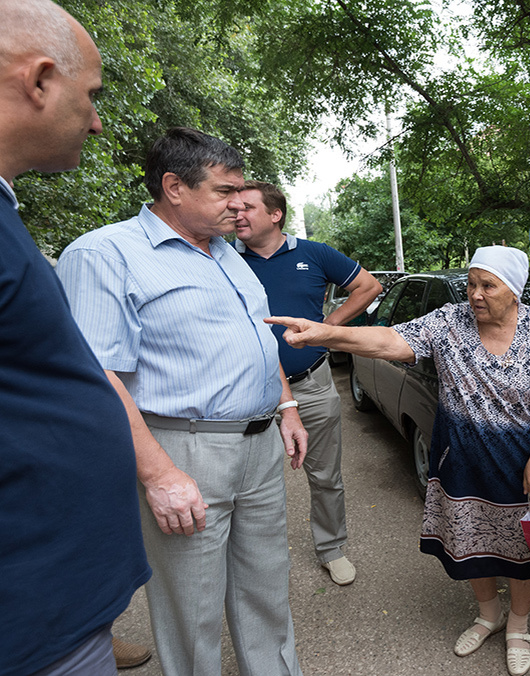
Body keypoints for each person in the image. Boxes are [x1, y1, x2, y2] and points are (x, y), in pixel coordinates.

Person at [56, 127, 307, 676]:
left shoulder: (228, 254)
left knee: (267, 589)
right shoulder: (105, 254)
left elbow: (258, 336)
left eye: (242, 192)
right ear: (173, 186)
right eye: (224, 192)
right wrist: (159, 476)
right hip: (183, 453)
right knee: (191, 612)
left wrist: (286, 406)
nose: (239, 205)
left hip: (261, 447)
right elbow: (98, 377)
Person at [267, 246, 530, 676]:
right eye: (471, 284)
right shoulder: (450, 321)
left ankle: (518, 627)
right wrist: (324, 333)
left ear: (514, 290)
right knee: (469, 543)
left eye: (488, 285)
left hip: (519, 462)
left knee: (520, 550)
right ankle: (489, 616)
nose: (476, 295)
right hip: (459, 459)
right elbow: (390, 339)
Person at [0, 1, 151, 674]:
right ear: (38, 81)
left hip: (56, 607)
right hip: (32, 621)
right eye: (89, 95)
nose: (95, 119)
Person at [234, 180, 381, 586]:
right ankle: (256, 560)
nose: (237, 214)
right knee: (251, 481)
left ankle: (332, 548)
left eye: (246, 207)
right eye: (234, 207)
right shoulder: (223, 259)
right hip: (250, 390)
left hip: (311, 384)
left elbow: (369, 287)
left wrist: (327, 327)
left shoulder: (313, 253)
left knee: (325, 476)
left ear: (275, 214)